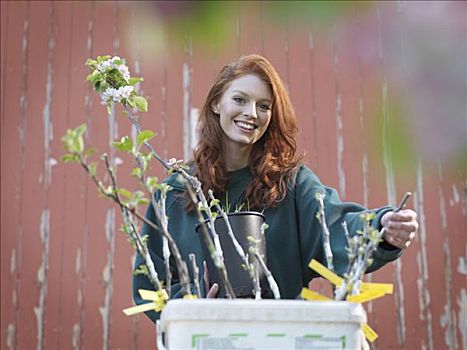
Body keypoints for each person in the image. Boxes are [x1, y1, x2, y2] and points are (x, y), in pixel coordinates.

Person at [133, 54, 418, 323]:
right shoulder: (176, 190)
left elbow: (336, 224)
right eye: (240, 99)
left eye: (264, 106)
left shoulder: (291, 183)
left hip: (282, 334)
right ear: (216, 104)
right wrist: (194, 301)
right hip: (205, 336)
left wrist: (381, 227)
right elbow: (149, 286)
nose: (251, 113)